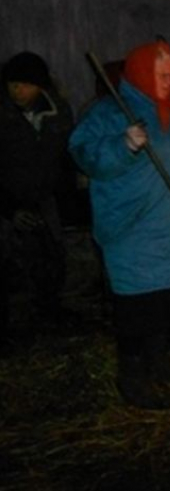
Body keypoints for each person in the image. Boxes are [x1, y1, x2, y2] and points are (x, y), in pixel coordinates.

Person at [69, 39, 170, 409]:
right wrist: (124, 144)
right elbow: (85, 155)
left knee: (167, 301)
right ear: (139, 74)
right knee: (137, 305)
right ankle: (132, 375)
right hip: (132, 230)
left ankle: (158, 361)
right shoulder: (108, 114)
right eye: (162, 76)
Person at [0, 51, 75, 347]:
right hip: (5, 199)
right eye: (12, 84)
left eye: (25, 85)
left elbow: (65, 157)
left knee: (52, 253)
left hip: (44, 196)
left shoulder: (58, 113)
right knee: (5, 259)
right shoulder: (2, 115)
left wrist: (65, 200)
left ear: (41, 86)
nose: (18, 91)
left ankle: (48, 311)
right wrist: (8, 208)